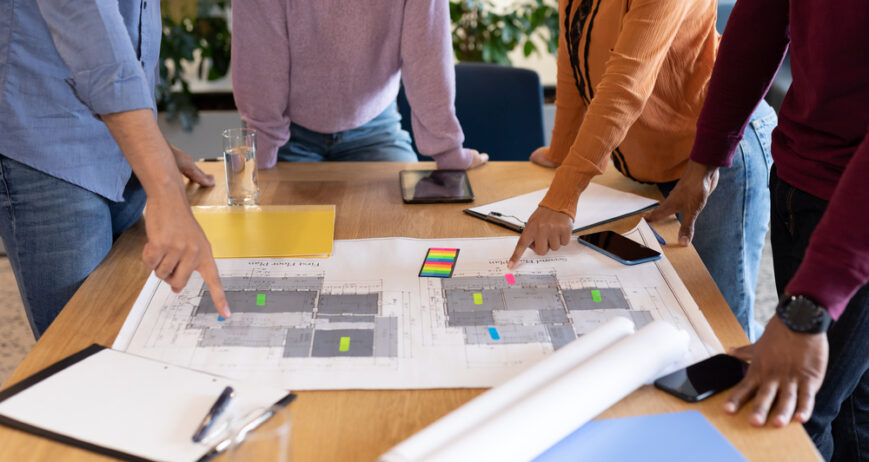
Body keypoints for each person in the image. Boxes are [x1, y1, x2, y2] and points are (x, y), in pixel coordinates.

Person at [648, 0, 868, 459]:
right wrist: (706, 159)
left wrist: (807, 307)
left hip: (855, 216)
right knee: (846, 404)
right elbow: (758, 26)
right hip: (798, 180)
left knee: (793, 418)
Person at [506, 0, 775, 340]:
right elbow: (573, 53)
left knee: (721, 322)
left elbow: (625, 86)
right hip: (650, 159)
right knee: (669, 309)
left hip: (716, 153)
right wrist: (562, 149)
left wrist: (563, 197)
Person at [0, 1, 230, 338]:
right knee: (84, 347)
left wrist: (152, 146)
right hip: (49, 146)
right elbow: (90, 22)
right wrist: (164, 184)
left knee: (127, 331)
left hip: (119, 149)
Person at [231, 0, 487, 170]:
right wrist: (260, 157)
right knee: (278, 233)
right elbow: (260, 66)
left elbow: (427, 58)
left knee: (403, 226)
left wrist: (447, 151)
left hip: (376, 129)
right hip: (287, 136)